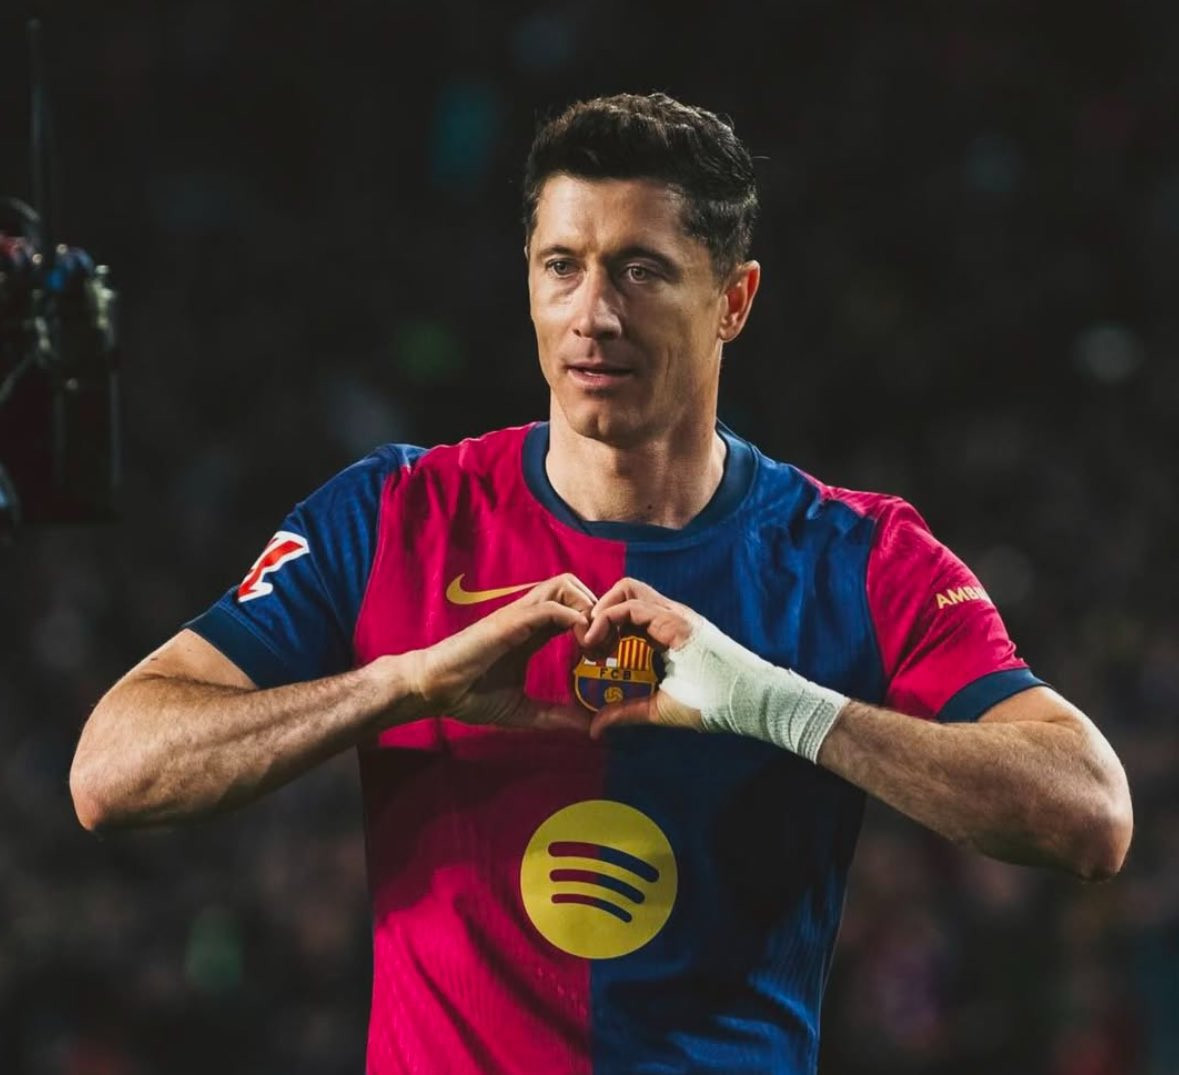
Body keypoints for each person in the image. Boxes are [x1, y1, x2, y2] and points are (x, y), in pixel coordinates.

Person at [69, 93, 1133, 1074]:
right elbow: (112, 770)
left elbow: (1088, 812)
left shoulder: (857, 556)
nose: (593, 314)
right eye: (561, 266)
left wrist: (776, 706)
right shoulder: (392, 515)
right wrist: (402, 685)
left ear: (734, 300)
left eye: (641, 270)